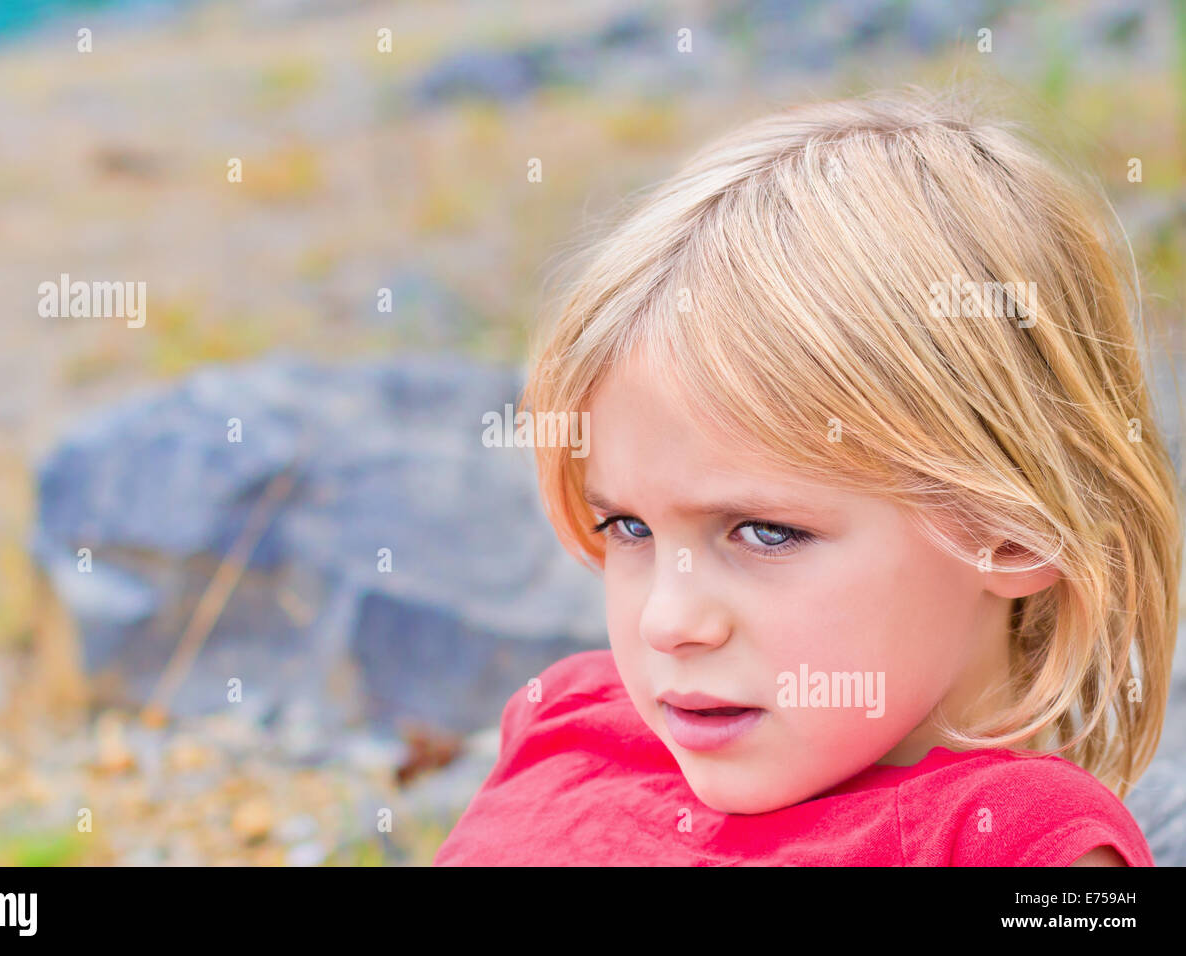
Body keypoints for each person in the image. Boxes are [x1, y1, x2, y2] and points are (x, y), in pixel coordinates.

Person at [434, 88, 1180, 866]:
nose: (667, 621)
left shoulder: (1010, 838)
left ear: (1017, 534)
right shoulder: (568, 720)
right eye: (629, 528)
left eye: (765, 532)